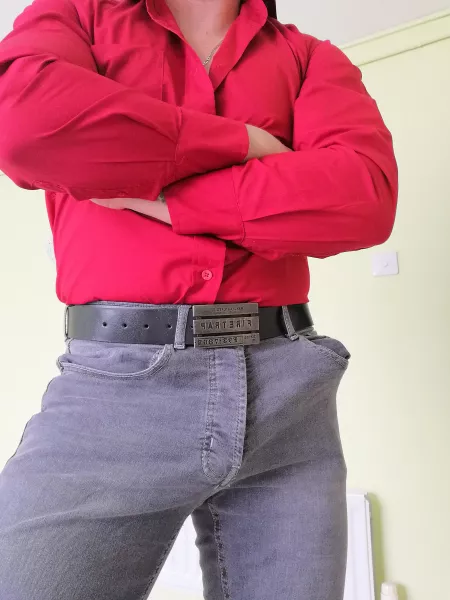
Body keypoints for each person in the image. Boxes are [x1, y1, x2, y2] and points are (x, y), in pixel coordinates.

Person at [0, 0, 398, 598]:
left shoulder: (310, 57)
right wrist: (246, 143)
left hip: (289, 394)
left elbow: (362, 197)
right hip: (115, 390)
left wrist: (164, 197)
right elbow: (25, 126)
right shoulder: (78, 14)